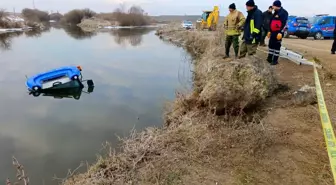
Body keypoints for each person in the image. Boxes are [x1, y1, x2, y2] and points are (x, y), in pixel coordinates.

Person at [266, 0, 288, 65]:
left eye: (273, 5)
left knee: (277, 46)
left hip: (278, 33)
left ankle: (275, 60)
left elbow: (285, 24)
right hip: (273, 32)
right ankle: (269, 58)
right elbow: (271, 22)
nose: (272, 6)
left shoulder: (284, 13)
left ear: (276, 6)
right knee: (271, 45)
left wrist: (281, 32)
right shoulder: (275, 12)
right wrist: (269, 30)